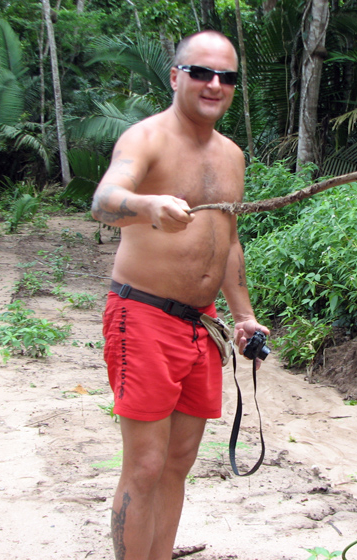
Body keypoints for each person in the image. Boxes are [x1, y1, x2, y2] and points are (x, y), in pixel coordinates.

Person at [91, 30, 269, 560]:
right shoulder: (146, 138)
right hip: (142, 315)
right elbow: (104, 200)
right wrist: (146, 207)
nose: (214, 84)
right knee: (144, 464)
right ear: (175, 77)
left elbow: (228, 239)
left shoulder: (232, 155)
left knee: (179, 460)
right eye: (201, 72)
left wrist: (244, 316)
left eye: (227, 77)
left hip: (202, 324)